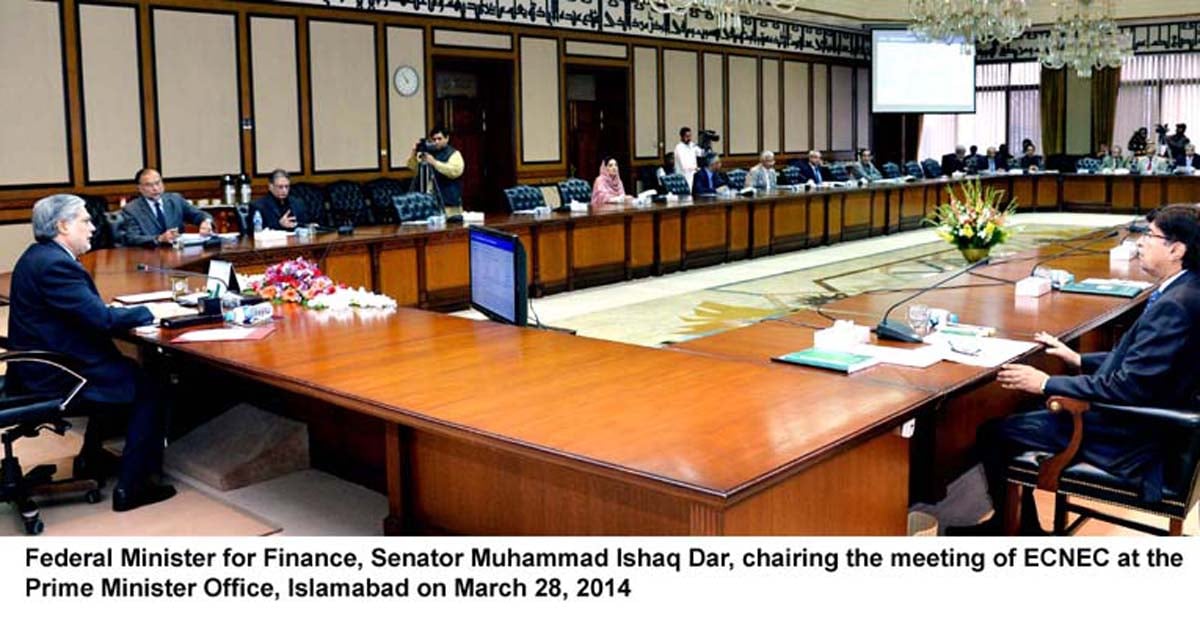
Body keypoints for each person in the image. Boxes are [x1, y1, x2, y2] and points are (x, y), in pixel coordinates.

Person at [951, 204, 1200, 535]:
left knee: (995, 432)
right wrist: (1080, 359)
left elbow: (1128, 387)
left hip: (1132, 434)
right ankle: (1020, 521)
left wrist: (1047, 383)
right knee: (1030, 409)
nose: (1139, 242)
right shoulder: (1187, 289)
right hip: (1154, 412)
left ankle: (1014, 530)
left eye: (1149, 236)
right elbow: (1147, 363)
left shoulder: (1174, 305)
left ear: (1176, 249)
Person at [7, 194, 177, 512]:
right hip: (59, 374)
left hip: (43, 364)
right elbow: (101, 320)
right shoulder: (56, 265)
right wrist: (148, 312)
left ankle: (91, 461)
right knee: (150, 386)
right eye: (85, 220)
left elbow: (85, 313)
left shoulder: (38, 255)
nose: (93, 227)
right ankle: (133, 486)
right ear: (62, 225)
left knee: (128, 371)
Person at [118, 168, 213, 247]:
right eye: (149, 185)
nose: (155, 188)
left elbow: (199, 215)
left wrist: (206, 222)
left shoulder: (175, 200)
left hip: (179, 253)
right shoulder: (131, 209)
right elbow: (132, 238)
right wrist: (159, 238)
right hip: (150, 257)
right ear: (139, 188)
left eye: (158, 183)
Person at [407, 126, 464, 215]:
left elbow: (455, 171)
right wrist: (414, 152)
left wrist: (435, 163)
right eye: (434, 139)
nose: (436, 142)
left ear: (447, 138)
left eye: (439, 139)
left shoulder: (454, 154)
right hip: (430, 202)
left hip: (449, 203)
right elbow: (412, 167)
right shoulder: (429, 153)